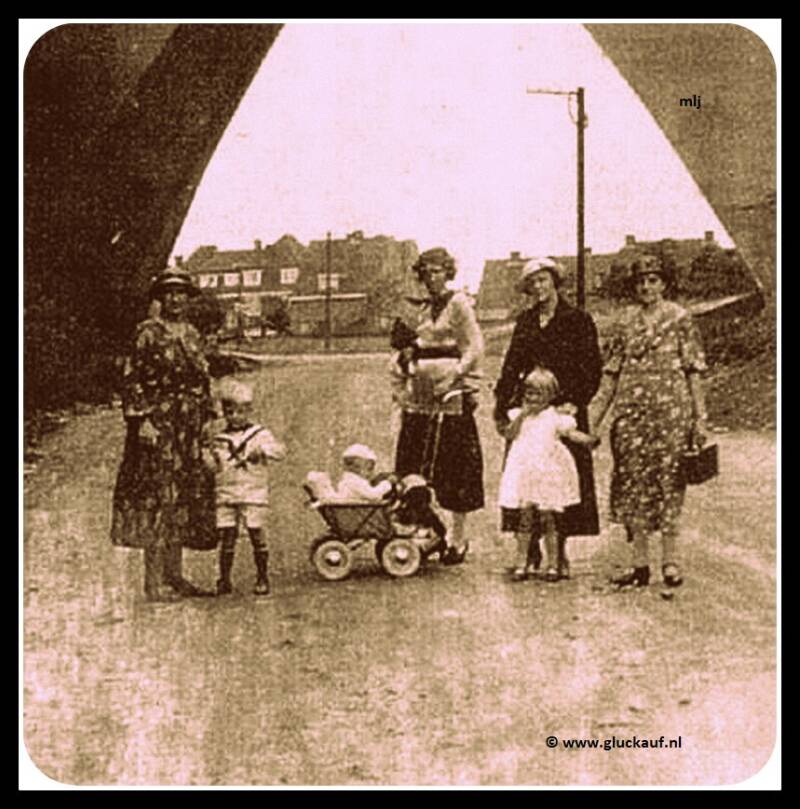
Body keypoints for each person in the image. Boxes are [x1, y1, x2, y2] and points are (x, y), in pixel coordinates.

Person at [592, 255, 708, 588]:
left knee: (670, 483)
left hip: (671, 414)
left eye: (653, 280)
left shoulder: (680, 318)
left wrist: (700, 419)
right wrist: (594, 424)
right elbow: (610, 376)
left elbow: (694, 370)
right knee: (634, 485)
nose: (646, 286)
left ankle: (670, 562)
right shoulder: (625, 321)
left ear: (664, 283)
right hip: (631, 416)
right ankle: (640, 564)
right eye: (641, 281)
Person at [111, 267, 216, 602]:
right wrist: (141, 420)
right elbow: (131, 378)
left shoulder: (191, 333)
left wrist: (209, 420)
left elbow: (203, 380)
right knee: (157, 498)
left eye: (181, 293)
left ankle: (176, 576)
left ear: (188, 298)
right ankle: (154, 583)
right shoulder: (147, 333)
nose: (175, 299)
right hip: (158, 427)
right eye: (169, 293)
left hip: (189, 428)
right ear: (160, 298)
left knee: (182, 499)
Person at [494, 257, 602, 579]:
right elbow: (512, 364)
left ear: (555, 282)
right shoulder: (526, 321)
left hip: (563, 408)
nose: (539, 288)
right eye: (533, 283)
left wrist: (574, 401)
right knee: (525, 482)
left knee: (560, 485)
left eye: (543, 280)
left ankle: (560, 553)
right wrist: (503, 404)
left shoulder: (578, 319)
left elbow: (592, 368)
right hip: (531, 407)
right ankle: (530, 551)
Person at [391, 247, 485, 565]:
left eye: (438, 271)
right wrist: (405, 371)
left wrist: (457, 376)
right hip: (420, 396)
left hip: (450, 395)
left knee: (456, 467)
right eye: (426, 272)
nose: (432, 278)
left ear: (448, 272)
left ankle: (458, 540)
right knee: (413, 464)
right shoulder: (418, 308)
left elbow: (475, 346)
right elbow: (408, 346)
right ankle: (426, 532)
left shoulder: (458, 303)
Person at [499, 368, 600, 582]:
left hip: (547, 475)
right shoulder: (519, 415)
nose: (531, 398)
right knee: (524, 520)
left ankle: (553, 564)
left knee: (549, 521)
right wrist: (522, 415)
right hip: (526, 475)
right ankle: (522, 562)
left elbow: (570, 433)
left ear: (550, 397)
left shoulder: (555, 418)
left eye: (537, 394)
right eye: (528, 392)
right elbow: (509, 433)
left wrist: (588, 440)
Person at [204, 380, 287, 596]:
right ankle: (224, 579)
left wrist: (263, 451)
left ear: (249, 411)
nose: (236, 417)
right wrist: (209, 459)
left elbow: (280, 451)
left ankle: (262, 576)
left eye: (241, 412)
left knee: (256, 532)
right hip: (226, 492)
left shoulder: (260, 434)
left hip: (253, 491)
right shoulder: (219, 438)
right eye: (230, 412)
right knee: (227, 536)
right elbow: (213, 465)